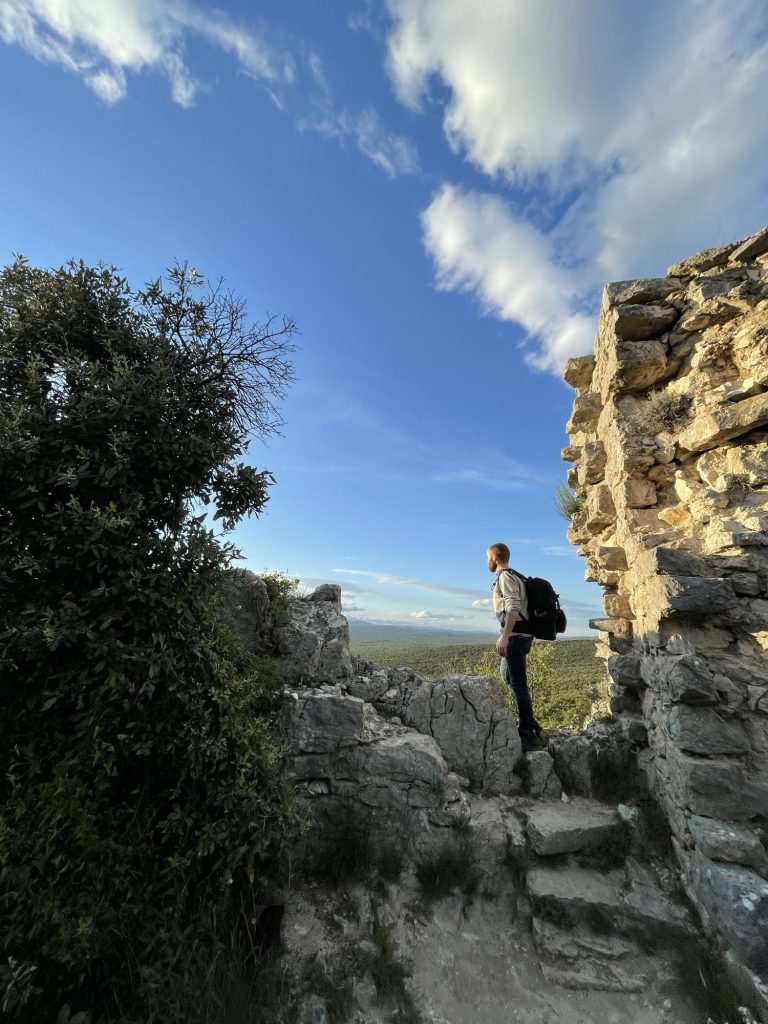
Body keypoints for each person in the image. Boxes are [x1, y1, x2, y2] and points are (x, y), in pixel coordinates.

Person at [487, 542, 544, 752]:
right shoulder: (517, 576)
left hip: (516, 637)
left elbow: (513, 606)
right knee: (507, 677)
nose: (487, 561)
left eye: (487, 557)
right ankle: (530, 721)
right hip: (520, 635)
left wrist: (505, 636)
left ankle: (528, 732)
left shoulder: (505, 576)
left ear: (494, 557)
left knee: (519, 685)